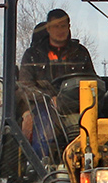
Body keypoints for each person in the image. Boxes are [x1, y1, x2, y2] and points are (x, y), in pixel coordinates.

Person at [17, 9, 96, 154]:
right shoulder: (33, 55)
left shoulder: (80, 53)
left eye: (63, 26)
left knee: (97, 128)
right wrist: (49, 98)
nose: (60, 30)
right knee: (43, 130)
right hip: (45, 107)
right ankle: (42, 167)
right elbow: (25, 86)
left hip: (77, 106)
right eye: (56, 26)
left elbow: (92, 81)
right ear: (48, 28)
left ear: (69, 27)